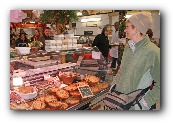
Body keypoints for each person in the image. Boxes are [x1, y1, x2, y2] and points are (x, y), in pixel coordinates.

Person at [111, 12, 160, 110]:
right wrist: (113, 87)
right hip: (120, 101)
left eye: (128, 27)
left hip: (136, 106)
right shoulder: (128, 48)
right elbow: (121, 71)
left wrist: (145, 103)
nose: (125, 30)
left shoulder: (153, 51)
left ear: (137, 28)